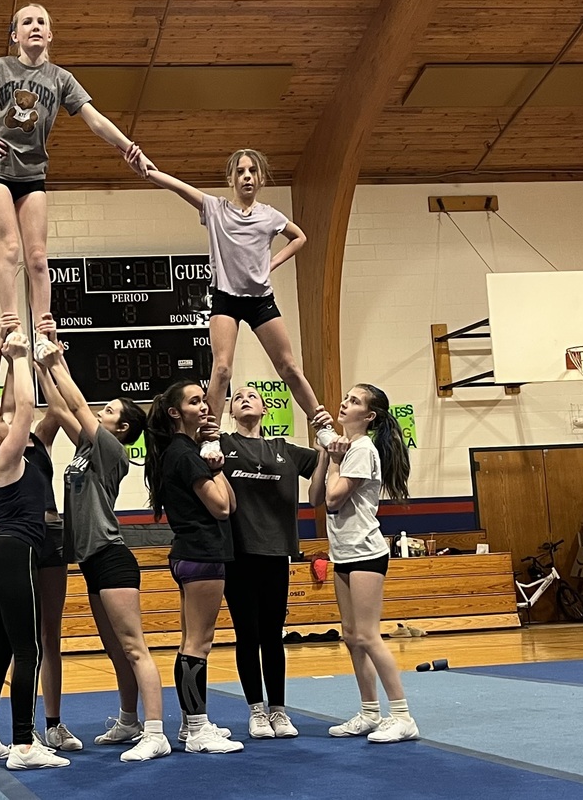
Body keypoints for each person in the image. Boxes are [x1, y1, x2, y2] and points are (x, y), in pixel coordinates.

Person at [0, 3, 155, 334]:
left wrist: (129, 147)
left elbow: (95, 120)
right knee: (10, 247)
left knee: (39, 257)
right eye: (27, 22)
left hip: (33, 174)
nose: (35, 26)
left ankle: (44, 328)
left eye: (41, 21)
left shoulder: (61, 79)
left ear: (50, 34)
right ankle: (11, 323)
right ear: (15, 35)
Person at [35, 340, 171, 762]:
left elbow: (74, 403)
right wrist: (40, 367)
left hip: (112, 557)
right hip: (92, 562)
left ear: (123, 429)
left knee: (134, 646)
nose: (99, 413)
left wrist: (58, 360)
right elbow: (59, 408)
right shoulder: (86, 450)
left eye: (108, 411)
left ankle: (155, 731)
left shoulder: (114, 452)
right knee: (115, 649)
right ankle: (128, 719)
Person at [128, 147, 320, 437]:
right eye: (240, 171)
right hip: (226, 299)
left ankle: (322, 424)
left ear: (261, 179)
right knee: (222, 370)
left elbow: (299, 237)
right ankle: (210, 436)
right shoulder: (215, 209)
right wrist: (147, 168)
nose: (246, 177)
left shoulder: (270, 216)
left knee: (289, 366)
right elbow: (177, 186)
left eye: (252, 171)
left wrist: (272, 263)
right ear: (231, 178)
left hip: (260, 300)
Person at [0, 328, 68, 770]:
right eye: (1, 425)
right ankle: (24, 744)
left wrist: (6, 356)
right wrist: (21, 357)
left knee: (0, 652)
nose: (9, 422)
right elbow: (24, 405)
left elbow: (6, 403)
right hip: (13, 553)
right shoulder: (5, 457)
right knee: (29, 650)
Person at [219, 386, 332, 739]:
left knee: (272, 635)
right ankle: (256, 710)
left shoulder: (284, 450)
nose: (245, 399)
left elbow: (327, 466)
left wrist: (326, 444)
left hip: (276, 552)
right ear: (231, 412)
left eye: (252, 395)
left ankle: (279, 711)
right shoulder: (222, 445)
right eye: (237, 397)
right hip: (237, 554)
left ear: (265, 408)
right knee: (246, 634)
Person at [310, 383, 418, 744]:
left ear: (369, 416)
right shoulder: (343, 448)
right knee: (352, 636)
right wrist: (326, 453)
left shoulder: (361, 449)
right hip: (342, 553)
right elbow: (313, 498)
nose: (344, 403)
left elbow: (335, 499)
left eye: (354, 401)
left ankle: (402, 715)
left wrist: (337, 458)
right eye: (346, 397)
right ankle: (370, 712)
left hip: (366, 553)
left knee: (369, 636)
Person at [143, 380, 243, 754]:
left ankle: (190, 725)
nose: (204, 407)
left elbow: (229, 503)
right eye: (195, 402)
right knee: (198, 643)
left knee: (192, 642)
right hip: (201, 554)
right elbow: (220, 507)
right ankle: (198, 729)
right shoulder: (184, 454)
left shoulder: (188, 450)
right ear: (175, 412)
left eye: (205, 400)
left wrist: (214, 460)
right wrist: (213, 465)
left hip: (195, 554)